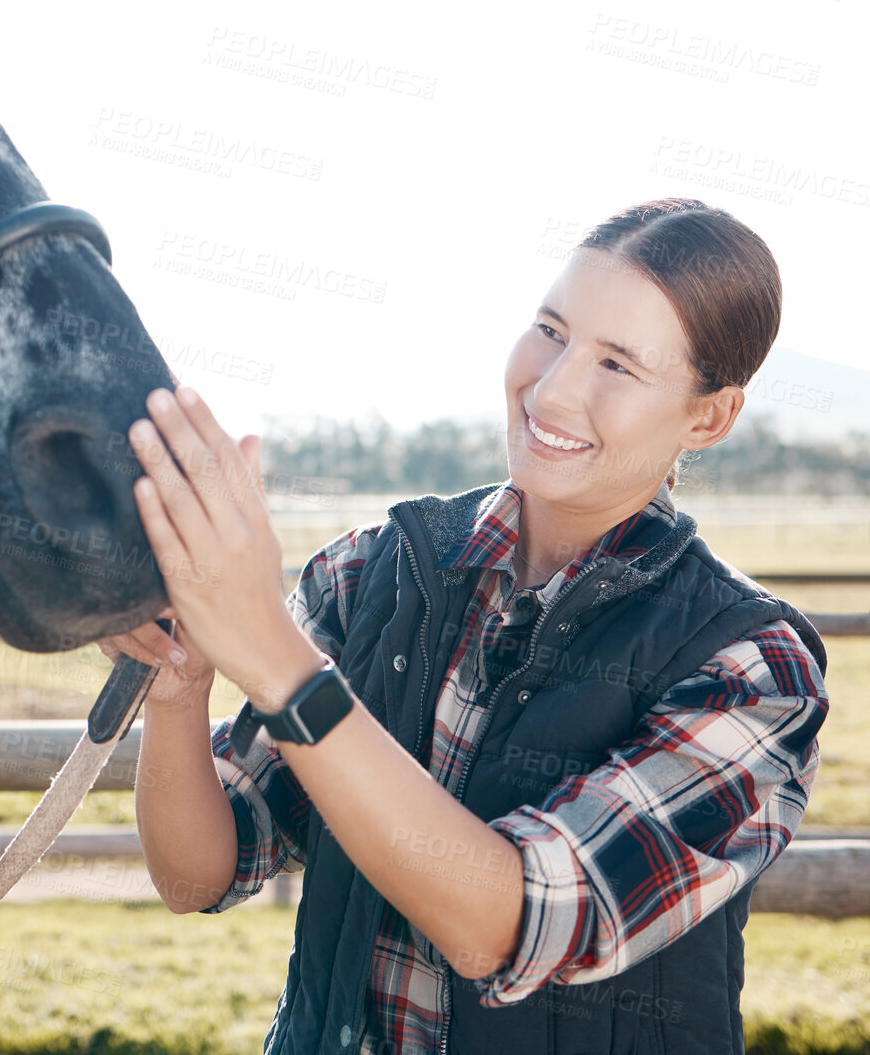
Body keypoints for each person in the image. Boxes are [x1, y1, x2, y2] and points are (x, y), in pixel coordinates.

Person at [101, 198, 829, 1054]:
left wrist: (271, 656)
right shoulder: (368, 570)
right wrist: (180, 691)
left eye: (618, 364)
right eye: (550, 330)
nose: (552, 387)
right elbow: (198, 874)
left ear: (709, 417)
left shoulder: (753, 665)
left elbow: (504, 922)